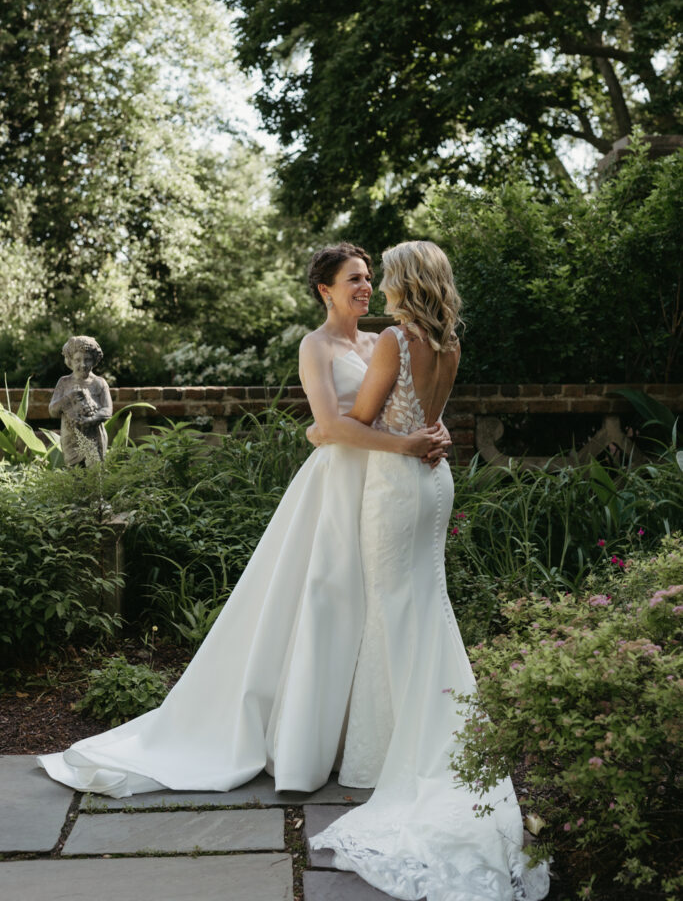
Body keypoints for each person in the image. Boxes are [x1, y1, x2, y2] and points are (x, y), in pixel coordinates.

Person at [37, 242, 449, 797]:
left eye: (368, 276)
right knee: (326, 603)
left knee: (368, 608)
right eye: (353, 278)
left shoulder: (384, 341)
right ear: (325, 289)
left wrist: (423, 432)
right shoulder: (315, 345)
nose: (365, 286)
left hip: (379, 485)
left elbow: (397, 407)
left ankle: (359, 736)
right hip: (335, 488)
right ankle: (305, 741)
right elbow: (329, 424)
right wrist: (333, 433)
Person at [308, 242, 550, 901]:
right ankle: (417, 743)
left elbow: (359, 421)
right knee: (422, 609)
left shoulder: (393, 339)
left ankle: (404, 756)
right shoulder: (447, 342)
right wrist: (418, 434)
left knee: (395, 614)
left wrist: (325, 431)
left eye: (385, 273)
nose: (379, 282)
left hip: (394, 486)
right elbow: (429, 420)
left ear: (405, 282)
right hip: (434, 481)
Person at [49, 336, 113, 466]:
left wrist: (91, 420)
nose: (83, 365)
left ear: (94, 360)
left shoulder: (99, 383)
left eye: (88, 359)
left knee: (95, 475)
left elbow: (108, 410)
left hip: (94, 437)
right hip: (71, 438)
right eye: (77, 360)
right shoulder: (64, 382)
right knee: (75, 475)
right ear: (70, 361)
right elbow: (53, 411)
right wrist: (68, 399)